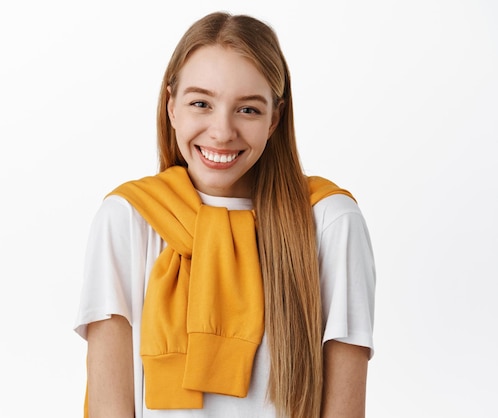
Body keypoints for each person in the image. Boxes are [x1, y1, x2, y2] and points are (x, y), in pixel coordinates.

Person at [74, 11, 375, 418]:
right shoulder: (127, 219)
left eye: (248, 110)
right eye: (201, 103)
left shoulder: (330, 222)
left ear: (274, 119)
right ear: (172, 107)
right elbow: (111, 407)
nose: (221, 131)